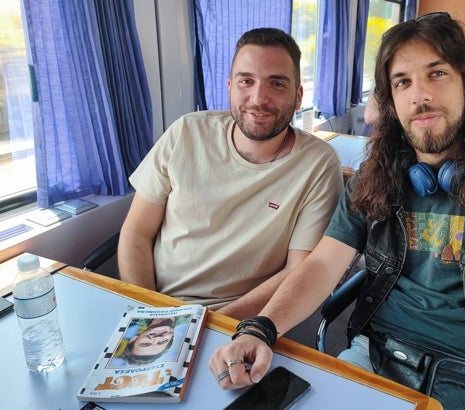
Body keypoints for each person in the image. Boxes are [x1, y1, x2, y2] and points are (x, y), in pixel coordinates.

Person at [209, 14, 465, 410]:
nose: (419, 95)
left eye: (437, 73)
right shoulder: (374, 179)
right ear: (391, 100)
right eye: (402, 82)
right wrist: (261, 328)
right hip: (377, 360)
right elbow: (322, 265)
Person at [118, 28, 343, 319]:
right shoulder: (186, 132)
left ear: (298, 96)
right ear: (229, 87)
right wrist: (146, 311)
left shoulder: (318, 165)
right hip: (154, 306)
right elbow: (137, 231)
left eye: (276, 84)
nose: (258, 97)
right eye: (246, 81)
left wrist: (207, 324)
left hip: (235, 319)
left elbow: (297, 270)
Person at [113, 317, 182, 366]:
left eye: (145, 343)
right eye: (162, 342)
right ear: (171, 337)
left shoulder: (135, 317)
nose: (156, 338)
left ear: (134, 339)